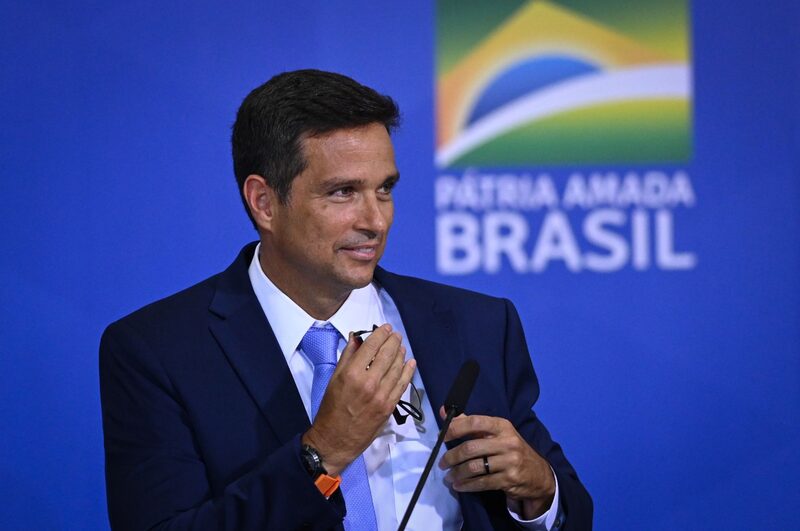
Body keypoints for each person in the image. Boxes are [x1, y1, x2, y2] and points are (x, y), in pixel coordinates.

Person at [100, 69, 592, 530]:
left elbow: (568, 505)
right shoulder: (157, 352)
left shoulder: (476, 324)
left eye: (384, 189)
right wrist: (324, 450)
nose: (376, 221)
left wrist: (536, 491)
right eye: (343, 193)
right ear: (264, 202)